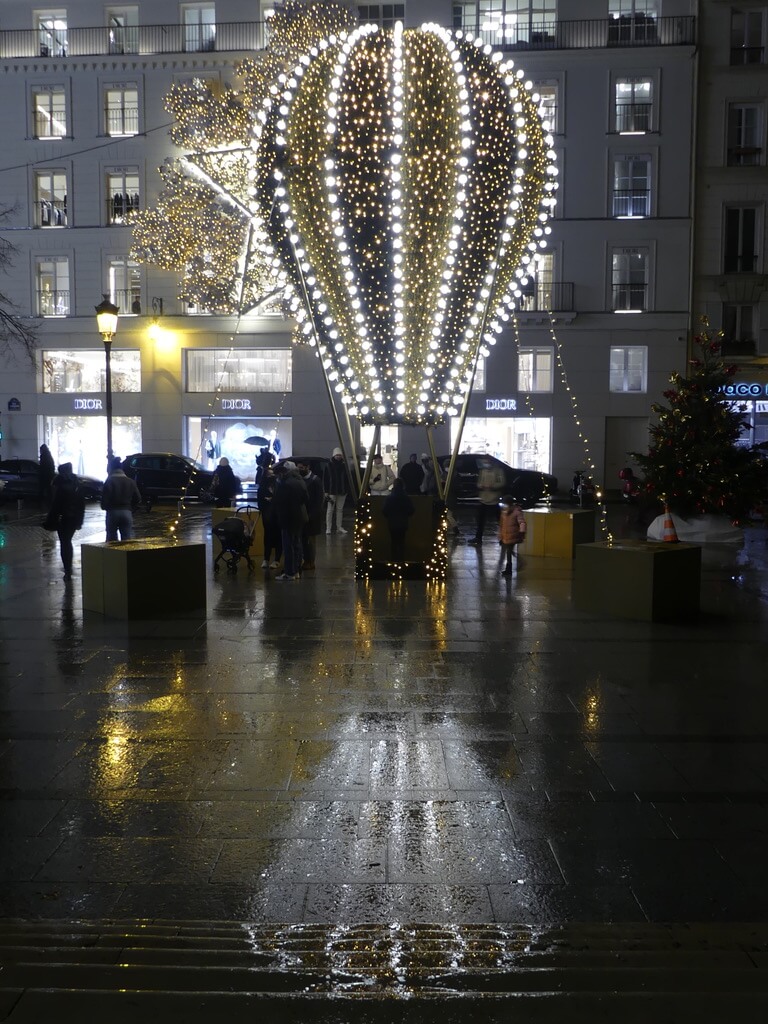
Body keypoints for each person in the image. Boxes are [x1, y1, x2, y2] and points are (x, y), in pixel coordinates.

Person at [48, 463, 86, 579]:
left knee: (64, 542)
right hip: (74, 518)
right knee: (67, 541)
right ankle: (68, 568)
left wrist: (51, 520)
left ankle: (67, 568)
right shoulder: (77, 484)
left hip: (63, 518)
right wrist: (80, 521)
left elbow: (55, 506)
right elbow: (81, 505)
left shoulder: (59, 485)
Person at [273, 461, 308, 580]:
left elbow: (280, 502)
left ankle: (289, 572)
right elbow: (305, 498)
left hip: (288, 518)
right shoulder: (300, 481)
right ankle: (297, 570)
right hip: (300, 517)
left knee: (288, 546)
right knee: (297, 544)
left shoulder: (285, 483)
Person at [101, 455, 141, 541]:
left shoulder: (109, 481)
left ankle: (112, 554)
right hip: (127, 512)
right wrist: (131, 508)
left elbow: (104, 501)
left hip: (112, 512)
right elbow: (138, 498)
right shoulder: (130, 481)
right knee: (126, 539)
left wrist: (105, 507)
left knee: (111, 539)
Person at [469, 456, 505, 545]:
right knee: (480, 519)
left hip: (494, 499)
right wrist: (480, 485)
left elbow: (502, 482)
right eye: (485, 461)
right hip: (484, 498)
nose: (486, 463)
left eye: (488, 461)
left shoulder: (498, 471)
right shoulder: (482, 471)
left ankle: (504, 538)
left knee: (500, 520)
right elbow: (479, 482)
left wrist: (492, 486)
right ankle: (478, 538)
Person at [296, 459, 324, 571]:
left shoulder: (315, 480)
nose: (299, 470)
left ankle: (310, 561)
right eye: (298, 467)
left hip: (313, 516)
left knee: (310, 541)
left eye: (301, 468)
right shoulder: (301, 479)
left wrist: (312, 515)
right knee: (303, 539)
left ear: (308, 467)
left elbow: (318, 500)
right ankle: (306, 560)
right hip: (303, 515)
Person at [382, 477, 414, 562]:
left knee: (394, 542)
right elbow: (411, 510)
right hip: (403, 523)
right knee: (401, 542)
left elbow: (385, 511)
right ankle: (401, 560)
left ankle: (394, 560)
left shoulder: (389, 498)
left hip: (392, 523)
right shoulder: (406, 498)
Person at [257, 464, 282, 570]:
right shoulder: (262, 487)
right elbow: (260, 501)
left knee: (278, 537)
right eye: (269, 474)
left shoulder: (278, 485)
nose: (271, 476)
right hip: (267, 515)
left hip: (277, 515)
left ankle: (277, 559)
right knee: (267, 537)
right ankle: (266, 559)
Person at [324, 447, 351, 534]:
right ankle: (329, 528)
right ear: (334, 455)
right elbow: (325, 479)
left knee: (339, 510)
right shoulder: (329, 465)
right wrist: (326, 491)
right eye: (337, 455)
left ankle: (338, 527)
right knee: (330, 510)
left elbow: (348, 479)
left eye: (339, 455)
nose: (338, 456)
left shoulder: (344, 465)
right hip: (332, 491)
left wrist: (346, 489)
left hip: (342, 491)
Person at [498, 495, 526, 575]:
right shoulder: (504, 512)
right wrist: (501, 536)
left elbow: (522, 523)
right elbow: (501, 525)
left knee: (509, 551)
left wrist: (522, 532)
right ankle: (520, 562)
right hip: (506, 536)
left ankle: (509, 569)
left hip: (513, 535)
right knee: (509, 551)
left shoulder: (516, 512)